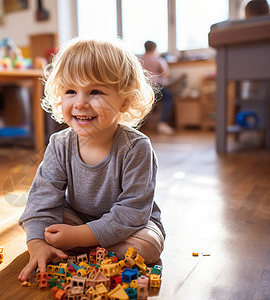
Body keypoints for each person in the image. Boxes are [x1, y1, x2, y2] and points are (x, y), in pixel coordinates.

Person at [18, 37, 165, 282]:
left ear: (124, 100)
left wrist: (78, 238)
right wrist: (36, 243)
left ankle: (79, 253)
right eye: (70, 91)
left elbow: (132, 213)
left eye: (95, 91)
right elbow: (42, 200)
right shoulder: (60, 144)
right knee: (45, 228)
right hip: (77, 216)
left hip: (130, 225)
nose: (80, 103)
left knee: (146, 248)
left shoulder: (137, 148)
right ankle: (88, 252)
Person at [140, 40, 175, 135]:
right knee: (168, 98)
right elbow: (166, 74)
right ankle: (163, 123)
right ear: (155, 48)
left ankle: (138, 124)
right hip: (156, 87)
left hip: (143, 88)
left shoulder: (139, 60)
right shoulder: (158, 59)